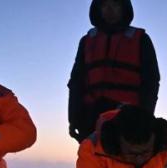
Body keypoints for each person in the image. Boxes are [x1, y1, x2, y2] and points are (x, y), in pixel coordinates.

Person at [68, 0, 160, 143]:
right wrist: (73, 117)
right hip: (90, 118)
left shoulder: (141, 39)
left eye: (115, 5)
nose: (109, 10)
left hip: (129, 119)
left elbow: (151, 82)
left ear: (124, 8)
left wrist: (145, 117)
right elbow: (76, 81)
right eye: (104, 5)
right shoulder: (86, 41)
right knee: (90, 163)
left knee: (123, 164)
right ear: (98, 9)